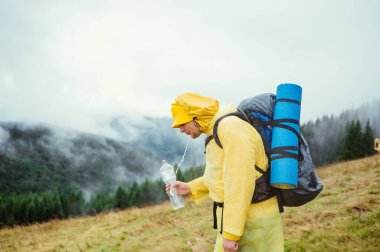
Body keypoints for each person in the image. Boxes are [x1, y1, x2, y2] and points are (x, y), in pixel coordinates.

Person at [167, 92, 284, 252]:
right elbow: (223, 175)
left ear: (195, 117)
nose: (180, 130)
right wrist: (190, 187)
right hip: (239, 220)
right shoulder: (216, 129)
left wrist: (231, 234)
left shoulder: (231, 129)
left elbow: (240, 182)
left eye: (182, 124)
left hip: (255, 222)